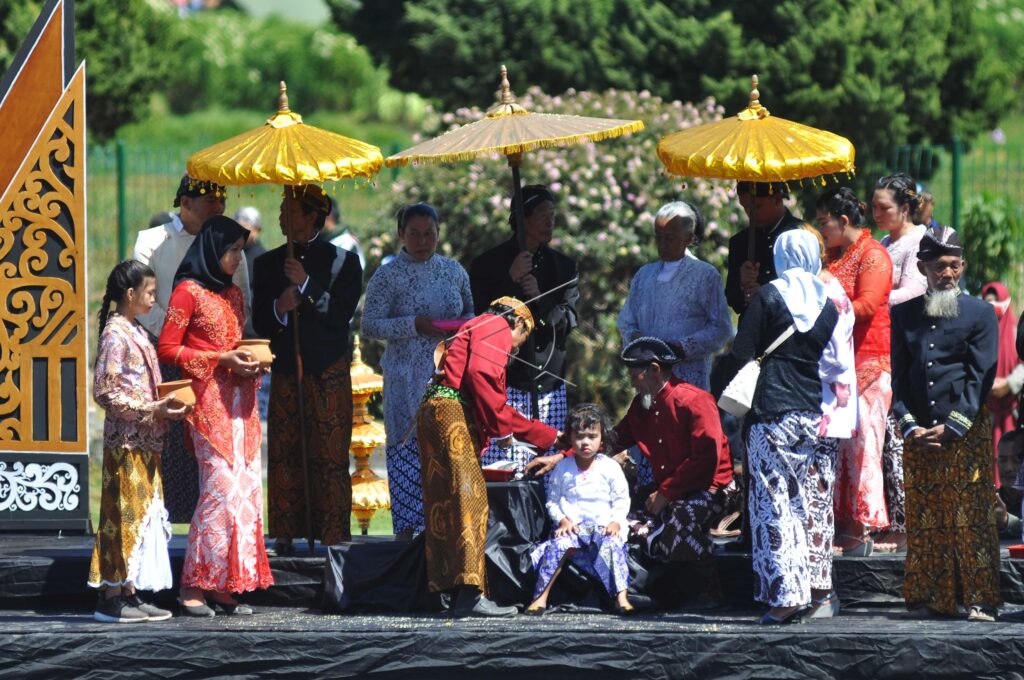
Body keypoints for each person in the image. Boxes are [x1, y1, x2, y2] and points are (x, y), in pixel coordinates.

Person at [417, 297, 562, 618]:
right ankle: (469, 593)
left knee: (444, 503)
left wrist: (528, 430)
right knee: (471, 501)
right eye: (521, 343)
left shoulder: (475, 326)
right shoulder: (496, 324)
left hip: (434, 409)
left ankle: (445, 592)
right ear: (519, 323)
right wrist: (506, 428)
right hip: (452, 411)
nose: (515, 353)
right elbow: (482, 376)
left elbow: (482, 388)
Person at [157, 215, 272, 617]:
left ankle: (226, 584)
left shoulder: (234, 294)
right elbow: (168, 350)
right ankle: (193, 585)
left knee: (244, 494)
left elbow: (236, 342)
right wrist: (219, 359)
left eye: (242, 250)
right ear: (213, 249)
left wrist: (251, 361)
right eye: (233, 251)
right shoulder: (187, 292)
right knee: (219, 492)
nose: (239, 258)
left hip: (242, 404)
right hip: (207, 405)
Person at [731, 229, 841, 624]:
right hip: (811, 413)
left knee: (774, 505)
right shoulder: (827, 304)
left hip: (770, 412)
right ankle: (812, 590)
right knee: (805, 506)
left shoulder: (768, 296)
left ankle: (784, 597)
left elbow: (741, 352)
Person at [891, 226, 1001, 622]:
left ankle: (979, 600)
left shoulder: (980, 313)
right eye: (939, 267)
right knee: (926, 518)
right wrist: (909, 426)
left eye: (954, 266)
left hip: (964, 432)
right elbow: (899, 379)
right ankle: (930, 597)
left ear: (963, 266)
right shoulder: (904, 315)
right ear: (922, 268)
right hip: (919, 435)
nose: (948, 275)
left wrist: (954, 427)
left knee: (969, 518)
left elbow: (981, 375)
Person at [133, 175, 250, 524]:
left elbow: (240, 300)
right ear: (185, 203)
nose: (218, 209)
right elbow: (142, 298)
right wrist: (174, 336)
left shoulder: (228, 242)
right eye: (210, 202)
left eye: (222, 201)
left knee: (220, 450)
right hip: (165, 352)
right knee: (171, 441)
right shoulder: (154, 241)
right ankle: (169, 525)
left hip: (220, 361)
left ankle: (216, 525)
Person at [252, 185, 363, 555]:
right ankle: (284, 534)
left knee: (329, 455)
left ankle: (332, 535)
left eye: (290, 209)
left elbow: (340, 316)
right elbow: (261, 323)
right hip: (286, 371)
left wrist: (307, 285)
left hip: (327, 369)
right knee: (284, 452)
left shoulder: (343, 262)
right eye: (281, 207)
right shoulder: (266, 263)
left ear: (312, 215)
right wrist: (279, 308)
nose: (282, 215)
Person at [361, 203, 473, 541]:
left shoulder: (454, 271)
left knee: (447, 450)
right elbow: (369, 325)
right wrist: (414, 325)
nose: (423, 240)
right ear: (400, 235)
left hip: (449, 373)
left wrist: (459, 330)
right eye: (414, 234)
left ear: (439, 234)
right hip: (406, 377)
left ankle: (449, 537)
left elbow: (471, 314)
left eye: (429, 234)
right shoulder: (388, 275)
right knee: (409, 450)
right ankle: (408, 536)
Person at [88, 260, 189, 623]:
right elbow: (105, 392)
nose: (153, 298)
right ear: (130, 295)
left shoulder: (134, 329)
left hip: (146, 442)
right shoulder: (116, 335)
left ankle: (129, 590)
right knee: (122, 517)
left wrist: (164, 406)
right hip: (127, 443)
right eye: (148, 292)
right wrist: (151, 408)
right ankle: (110, 594)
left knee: (142, 518)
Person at [611, 337, 735, 607]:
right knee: (624, 520)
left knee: (681, 516)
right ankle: (654, 591)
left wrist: (666, 493)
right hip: (667, 490)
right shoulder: (641, 405)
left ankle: (709, 590)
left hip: (712, 489)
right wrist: (565, 454)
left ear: (655, 370)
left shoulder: (695, 400)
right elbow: (613, 440)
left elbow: (706, 459)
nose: (632, 383)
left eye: (635, 375)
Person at [469, 185, 578, 469]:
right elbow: (478, 321)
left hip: (549, 380)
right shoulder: (486, 265)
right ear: (521, 218)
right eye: (542, 214)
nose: (550, 222)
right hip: (507, 381)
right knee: (503, 466)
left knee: (548, 466)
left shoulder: (564, 267)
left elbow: (569, 321)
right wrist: (510, 280)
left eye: (553, 215)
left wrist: (540, 299)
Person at [816, 187, 894, 554]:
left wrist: (825, 301)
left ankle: (861, 529)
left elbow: (866, 306)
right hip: (841, 368)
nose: (821, 230)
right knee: (841, 449)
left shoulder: (873, 254)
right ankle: (842, 524)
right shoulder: (833, 254)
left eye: (823, 222)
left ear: (842, 221)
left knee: (865, 448)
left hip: (871, 365)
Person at [527, 404, 632, 615]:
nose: (585, 442)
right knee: (557, 547)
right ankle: (541, 597)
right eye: (579, 436)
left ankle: (621, 597)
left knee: (613, 546)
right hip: (573, 529)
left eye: (592, 436)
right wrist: (563, 521)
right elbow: (552, 501)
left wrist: (616, 522)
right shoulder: (563, 467)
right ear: (570, 439)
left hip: (603, 528)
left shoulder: (610, 466)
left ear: (602, 439)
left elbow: (621, 499)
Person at [617, 201, 732, 391]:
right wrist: (639, 339)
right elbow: (626, 322)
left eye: (670, 238)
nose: (662, 244)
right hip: (649, 381)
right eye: (658, 237)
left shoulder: (705, 275)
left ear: (688, 238)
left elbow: (721, 328)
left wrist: (681, 347)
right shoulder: (643, 275)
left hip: (688, 382)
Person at [874, 173, 926, 547]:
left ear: (905, 208)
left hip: (906, 348)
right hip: (881, 343)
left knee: (897, 436)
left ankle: (905, 525)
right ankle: (888, 517)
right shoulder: (884, 242)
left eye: (884, 207)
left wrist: (871, 297)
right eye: (874, 206)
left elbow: (913, 292)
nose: (876, 213)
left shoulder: (917, 242)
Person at [724, 181, 804, 315]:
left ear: (777, 199)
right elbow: (732, 300)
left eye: (757, 206)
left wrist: (766, 294)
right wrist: (742, 283)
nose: (750, 213)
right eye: (746, 207)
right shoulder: (739, 242)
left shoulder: (802, 235)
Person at [982, 282, 1024, 476]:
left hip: (1013, 411)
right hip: (986, 412)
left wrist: (1010, 383)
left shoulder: (1017, 331)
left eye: (996, 301)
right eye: (987, 302)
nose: (993, 306)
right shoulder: (979, 333)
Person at [995, 430, 1024, 540]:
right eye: (1003, 460)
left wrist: (1007, 520)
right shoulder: (990, 501)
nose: (1008, 468)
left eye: (1017, 460)